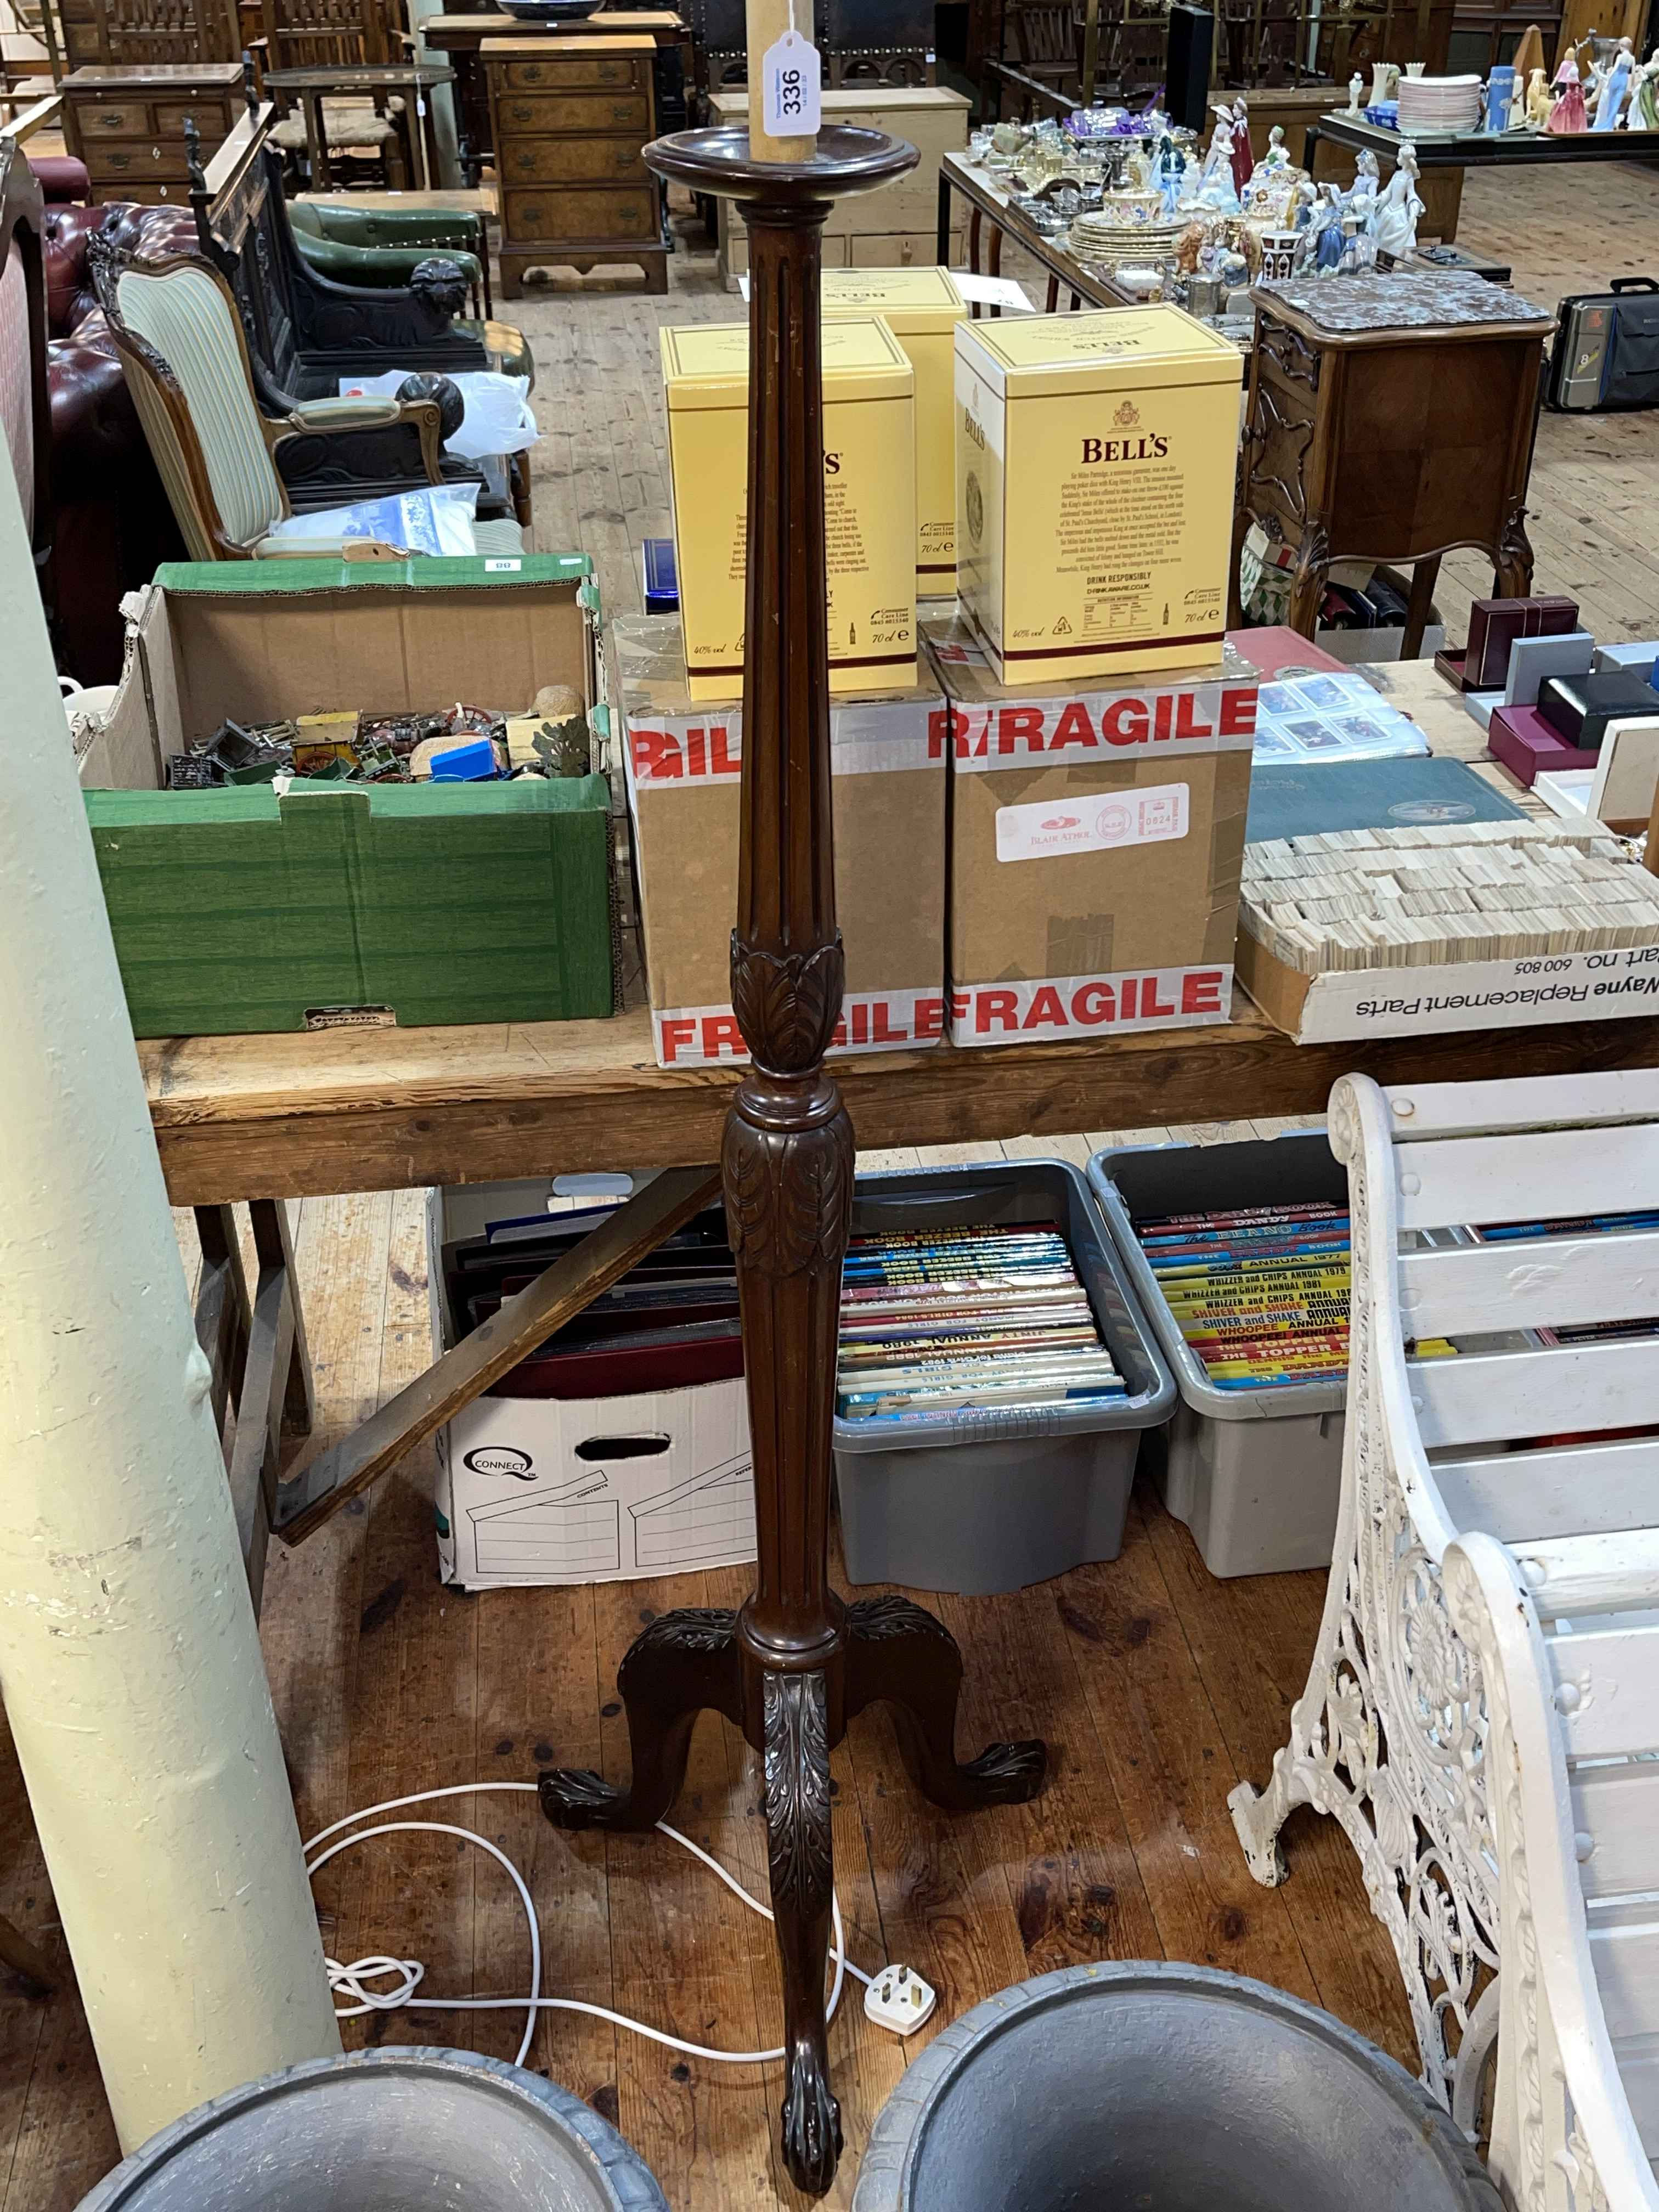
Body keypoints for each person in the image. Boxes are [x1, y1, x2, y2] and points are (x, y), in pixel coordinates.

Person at [1548, 52, 1588, 132]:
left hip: (1565, 90)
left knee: (1562, 108)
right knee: (1572, 112)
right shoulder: (1574, 65)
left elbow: (1559, 75)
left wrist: (1552, 84)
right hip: (1574, 97)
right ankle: (1568, 125)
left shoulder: (1564, 64)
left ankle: (1562, 124)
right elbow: (1579, 85)